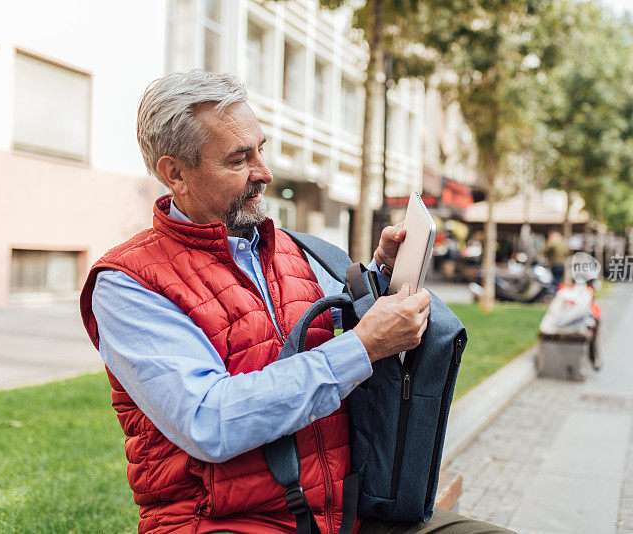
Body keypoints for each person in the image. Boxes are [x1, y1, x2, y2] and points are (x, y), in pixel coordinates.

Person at [80, 71, 513, 534]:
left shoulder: (291, 248)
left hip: (343, 512)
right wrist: (363, 348)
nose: (264, 172)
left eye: (260, 150)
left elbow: (338, 316)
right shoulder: (127, 284)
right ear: (176, 174)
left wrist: (384, 274)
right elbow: (211, 421)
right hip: (221, 523)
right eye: (239, 159)